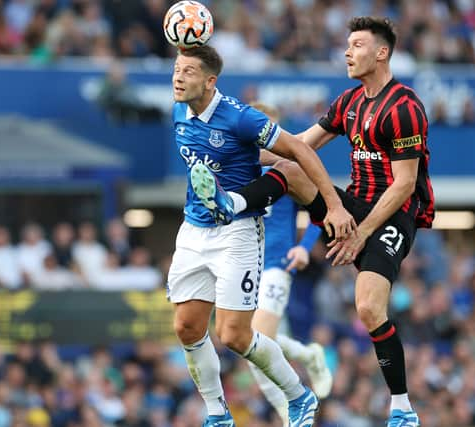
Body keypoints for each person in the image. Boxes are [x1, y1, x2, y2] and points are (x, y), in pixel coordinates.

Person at [195, 17, 435, 427]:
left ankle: (401, 407)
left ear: (381, 53)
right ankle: (230, 202)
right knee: (290, 170)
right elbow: (299, 146)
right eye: (347, 44)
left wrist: (361, 234)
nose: (347, 52)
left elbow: (404, 185)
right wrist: (246, 159)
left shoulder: (405, 108)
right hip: (351, 207)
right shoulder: (349, 102)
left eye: (357, 45)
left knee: (368, 306)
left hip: (394, 215)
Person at [168, 45, 355, 427]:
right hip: (193, 229)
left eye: (187, 71)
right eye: (176, 68)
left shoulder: (240, 118)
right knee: (187, 326)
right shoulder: (178, 112)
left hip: (240, 236)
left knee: (236, 336)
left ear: (209, 80)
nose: (177, 76)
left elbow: (298, 151)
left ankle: (298, 398)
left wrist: (332, 206)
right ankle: (218, 414)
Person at [246, 103, 332, 424]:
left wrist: (305, 247)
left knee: (257, 341)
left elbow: (321, 210)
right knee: (247, 345)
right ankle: (308, 355)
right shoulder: (238, 167)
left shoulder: (288, 165)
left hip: (276, 265)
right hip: (244, 265)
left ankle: (289, 412)